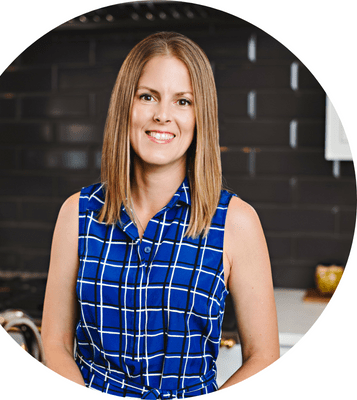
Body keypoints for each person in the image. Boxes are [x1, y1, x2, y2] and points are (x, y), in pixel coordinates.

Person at [41, 31, 279, 397]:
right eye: (148, 96)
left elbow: (264, 358)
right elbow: (54, 344)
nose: (163, 115)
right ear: (126, 105)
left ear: (201, 116)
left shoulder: (236, 221)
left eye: (183, 101)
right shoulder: (77, 214)